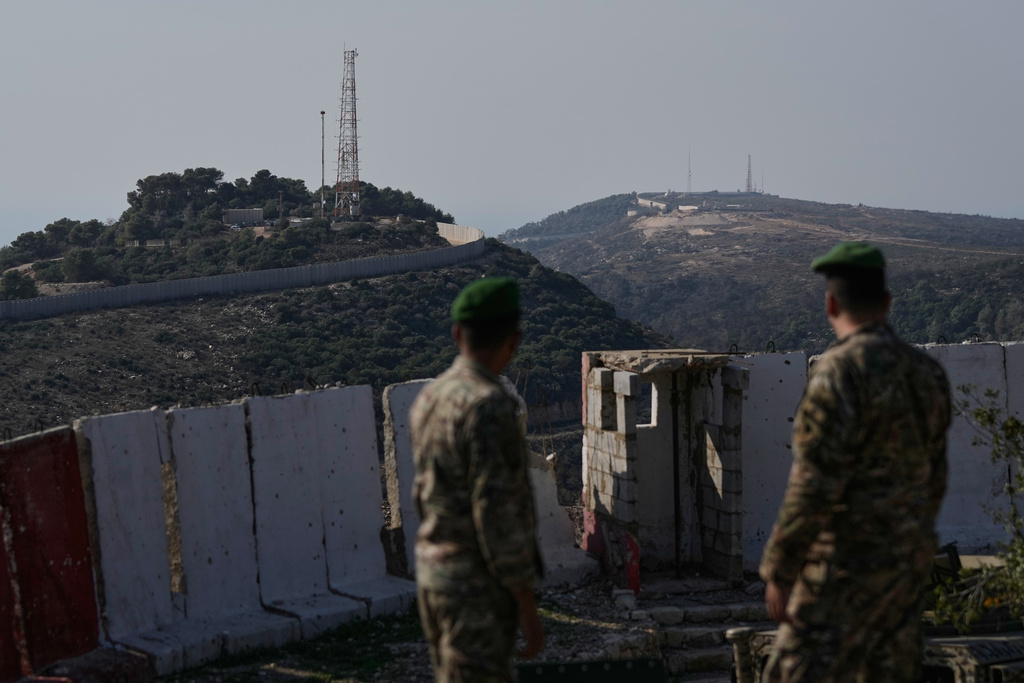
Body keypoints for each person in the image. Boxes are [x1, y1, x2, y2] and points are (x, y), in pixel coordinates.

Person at [759, 242, 951, 683]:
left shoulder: (839, 371)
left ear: (830, 303)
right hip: (904, 568)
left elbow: (814, 482)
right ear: (886, 302)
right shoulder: (927, 372)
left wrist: (781, 568)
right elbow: (935, 477)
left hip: (845, 567)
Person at [411, 276, 544, 682]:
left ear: (456, 334)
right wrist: (526, 602)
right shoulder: (489, 407)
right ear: (514, 340)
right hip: (476, 587)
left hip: (435, 577)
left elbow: (423, 495)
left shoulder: (431, 398)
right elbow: (497, 513)